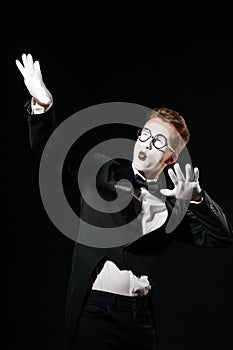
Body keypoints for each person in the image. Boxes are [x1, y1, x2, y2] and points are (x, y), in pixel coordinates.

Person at [16, 53, 233, 350]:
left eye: (159, 141)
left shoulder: (173, 205)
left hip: (140, 320)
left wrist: (196, 198)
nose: (147, 143)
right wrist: (42, 106)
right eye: (145, 134)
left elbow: (220, 237)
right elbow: (51, 154)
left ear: (170, 158)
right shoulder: (99, 170)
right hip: (97, 313)